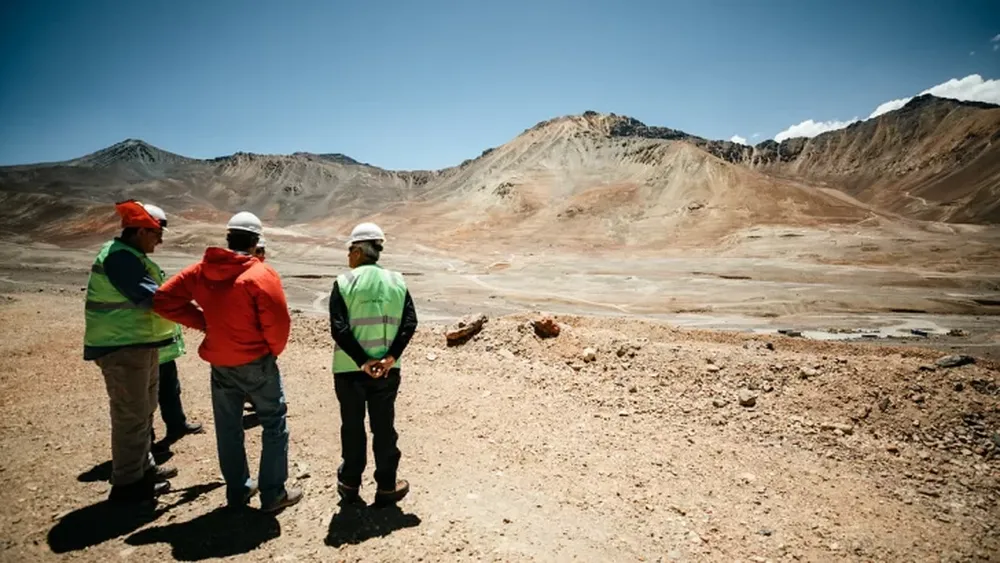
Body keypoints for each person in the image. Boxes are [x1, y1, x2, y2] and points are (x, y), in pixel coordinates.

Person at [153, 211, 302, 512]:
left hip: (220, 362)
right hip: (257, 361)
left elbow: (163, 300)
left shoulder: (201, 271)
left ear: (228, 238)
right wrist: (271, 350)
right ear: (255, 241)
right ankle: (273, 493)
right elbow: (278, 323)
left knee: (228, 427)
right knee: (274, 423)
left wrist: (206, 323)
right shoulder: (261, 274)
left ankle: (238, 491)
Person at [83, 200, 178, 503]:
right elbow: (154, 298)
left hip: (138, 345)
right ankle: (127, 485)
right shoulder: (121, 259)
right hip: (122, 347)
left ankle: (143, 469)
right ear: (139, 231)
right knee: (131, 416)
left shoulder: (132, 255)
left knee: (143, 409)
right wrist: (201, 315)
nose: (160, 240)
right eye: (156, 233)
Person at [329, 222, 418, 507]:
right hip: (388, 371)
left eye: (349, 251)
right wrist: (390, 357)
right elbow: (409, 323)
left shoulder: (344, 283)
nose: (348, 257)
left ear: (357, 251)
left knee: (352, 427)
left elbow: (339, 328)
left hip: (349, 370)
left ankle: (350, 483)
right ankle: (387, 486)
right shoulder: (397, 281)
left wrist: (362, 361)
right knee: (384, 427)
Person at [150, 320, 204, 454]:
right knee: (143, 399)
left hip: (161, 347)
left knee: (171, 389)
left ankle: (177, 425)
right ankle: (145, 444)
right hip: (145, 347)